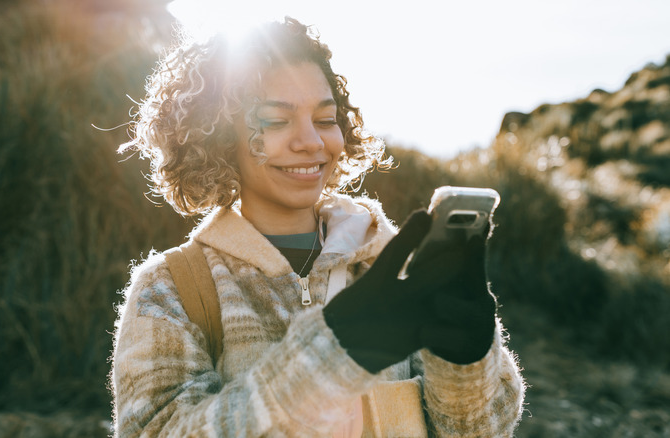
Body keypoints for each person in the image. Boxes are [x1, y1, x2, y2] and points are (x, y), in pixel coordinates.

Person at [110, 17, 525, 437]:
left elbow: (479, 431)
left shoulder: (395, 269)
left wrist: (466, 365)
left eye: (326, 119)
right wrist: (327, 357)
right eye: (274, 120)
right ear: (219, 136)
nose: (311, 141)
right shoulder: (171, 289)